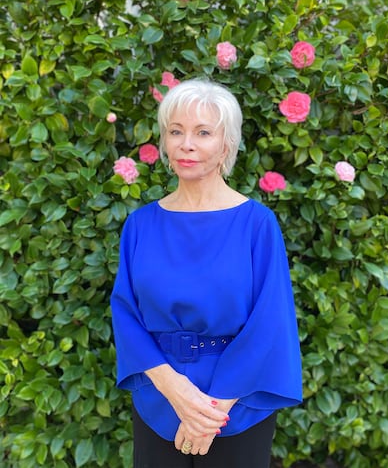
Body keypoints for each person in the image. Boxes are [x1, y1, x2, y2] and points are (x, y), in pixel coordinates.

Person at [110, 78, 302, 468]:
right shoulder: (140, 225)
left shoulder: (256, 225)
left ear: (226, 143)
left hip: (236, 403)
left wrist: (211, 412)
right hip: (158, 395)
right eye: (175, 131)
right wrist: (174, 389)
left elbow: (270, 322)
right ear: (164, 142)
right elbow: (126, 313)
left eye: (203, 132)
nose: (187, 144)